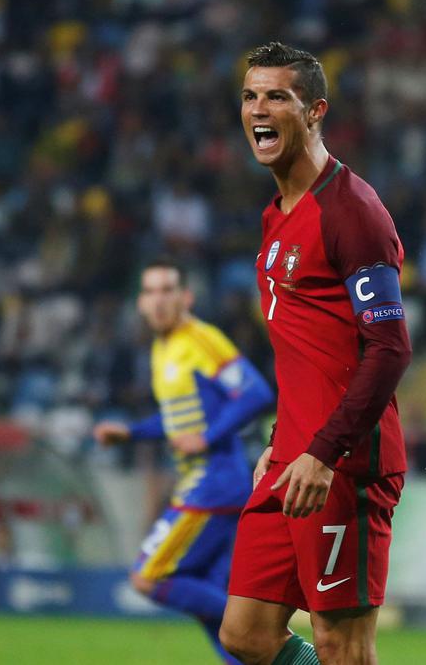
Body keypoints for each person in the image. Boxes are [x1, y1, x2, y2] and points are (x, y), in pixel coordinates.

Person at [219, 42, 412, 665]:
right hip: (291, 456)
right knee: (245, 634)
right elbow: (308, 349)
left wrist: (324, 452)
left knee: (342, 645)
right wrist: (283, 437)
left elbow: (389, 348)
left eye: (278, 96)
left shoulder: (352, 211)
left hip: (343, 464)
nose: (259, 109)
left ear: (315, 111)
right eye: (250, 96)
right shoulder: (277, 214)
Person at [93, 259, 274, 663]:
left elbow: (257, 393)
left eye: (167, 290)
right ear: (140, 302)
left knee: (148, 577)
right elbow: (179, 420)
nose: (159, 300)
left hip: (215, 481)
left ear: (185, 297)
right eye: (150, 291)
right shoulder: (162, 349)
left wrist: (209, 437)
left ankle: (263, 629)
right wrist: (132, 433)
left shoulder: (200, 339)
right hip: (205, 481)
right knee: (203, 597)